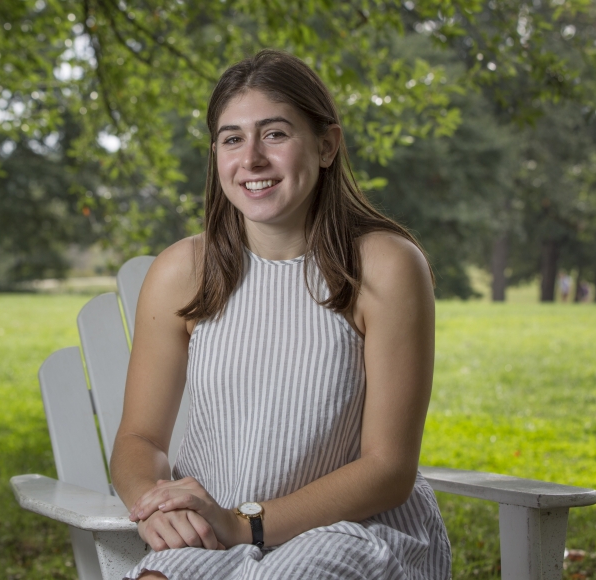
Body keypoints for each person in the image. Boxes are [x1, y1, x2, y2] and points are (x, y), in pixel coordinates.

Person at [109, 49, 451, 580]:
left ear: (326, 145)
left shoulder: (383, 267)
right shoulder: (182, 272)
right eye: (231, 139)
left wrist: (245, 523)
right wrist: (155, 506)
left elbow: (388, 469)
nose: (251, 160)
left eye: (275, 134)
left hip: (350, 530)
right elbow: (140, 440)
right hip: (216, 532)